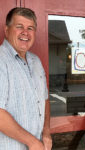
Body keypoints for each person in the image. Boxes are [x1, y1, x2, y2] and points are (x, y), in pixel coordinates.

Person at [0, 7, 52, 150]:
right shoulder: (1, 60)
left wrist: (46, 132)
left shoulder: (36, 61)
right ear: (6, 30)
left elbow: (45, 99)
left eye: (30, 28)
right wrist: (33, 142)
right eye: (19, 27)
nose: (25, 32)